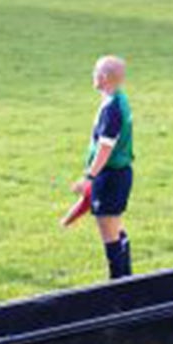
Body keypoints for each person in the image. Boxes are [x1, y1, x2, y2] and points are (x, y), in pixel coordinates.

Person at [72, 55, 134, 280]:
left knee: (109, 232)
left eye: (95, 72)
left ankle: (118, 283)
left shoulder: (112, 109)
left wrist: (89, 178)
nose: (93, 75)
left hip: (110, 176)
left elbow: (105, 149)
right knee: (115, 228)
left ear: (104, 78)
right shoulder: (118, 99)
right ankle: (127, 279)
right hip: (117, 174)